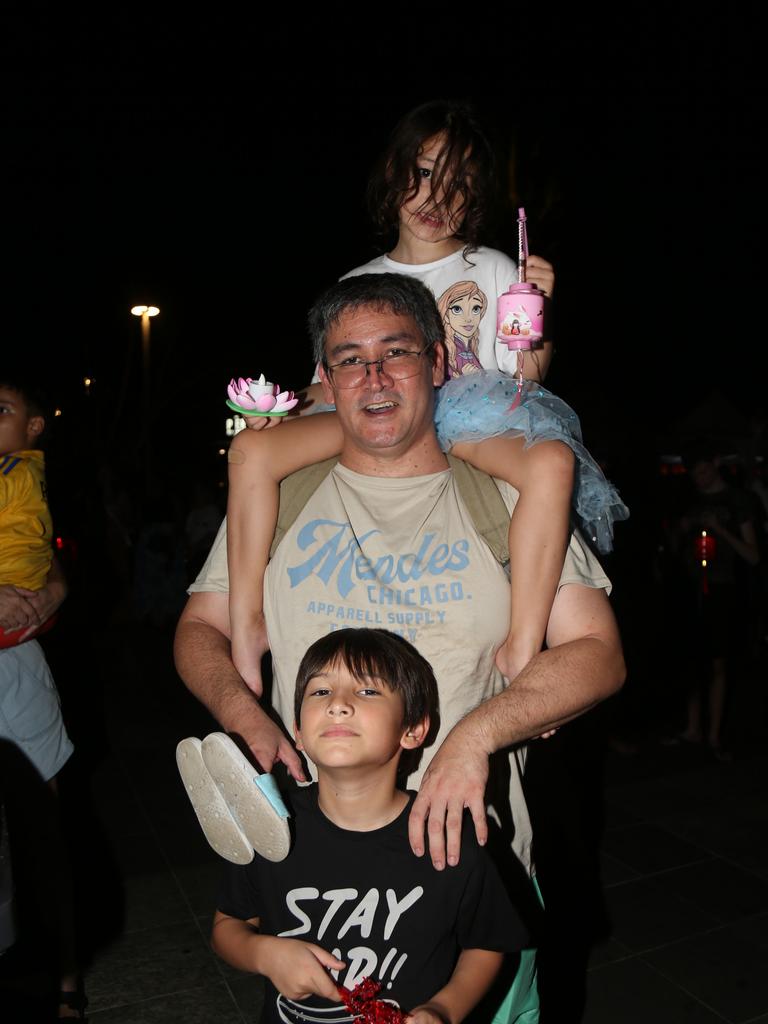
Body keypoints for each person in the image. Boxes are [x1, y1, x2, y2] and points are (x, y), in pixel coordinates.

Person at [175, 273, 625, 1022]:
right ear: (325, 379)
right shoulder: (282, 493)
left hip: (471, 873)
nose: (374, 377)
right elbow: (199, 632)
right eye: (349, 359)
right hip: (314, 877)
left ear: (441, 362)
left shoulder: (504, 496)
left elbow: (597, 654)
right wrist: (244, 715)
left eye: (396, 353)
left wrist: (477, 736)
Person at [226, 100, 626, 704]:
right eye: (424, 172)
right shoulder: (355, 280)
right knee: (249, 449)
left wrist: (535, 313)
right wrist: (275, 407)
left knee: (552, 463)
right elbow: (331, 382)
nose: (438, 196)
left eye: (459, 183)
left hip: (464, 419)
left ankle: (523, 641)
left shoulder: (492, 266)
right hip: (372, 418)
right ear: (393, 174)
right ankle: (245, 618)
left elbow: (527, 375)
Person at [212, 627, 528, 1024]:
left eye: (368, 692)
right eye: (321, 692)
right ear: (298, 734)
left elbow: (486, 945)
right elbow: (228, 926)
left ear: (413, 729)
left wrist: (444, 1010)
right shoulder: (270, 826)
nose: (338, 705)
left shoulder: (445, 835)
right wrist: (263, 953)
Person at [0, 377, 55, 648]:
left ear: (34, 425)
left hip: (10, 604)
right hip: (29, 603)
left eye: (2, 410)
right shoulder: (33, 471)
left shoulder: (9, 472)